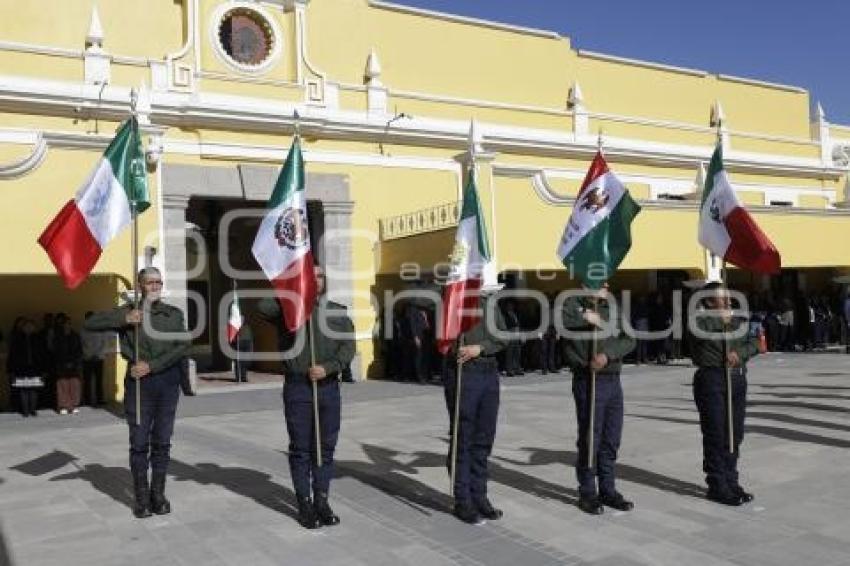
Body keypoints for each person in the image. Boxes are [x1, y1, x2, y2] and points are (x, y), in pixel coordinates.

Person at [84, 267, 190, 519]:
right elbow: (90, 323)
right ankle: (141, 498)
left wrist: (152, 365)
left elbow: (183, 345)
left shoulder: (173, 315)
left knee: (162, 441)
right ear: (140, 286)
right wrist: (124, 319)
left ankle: (158, 494)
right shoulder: (128, 312)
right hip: (139, 386)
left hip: (166, 382)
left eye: (158, 282)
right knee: (139, 442)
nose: (155, 286)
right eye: (149, 282)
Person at [255, 265, 355, 530]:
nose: (317, 280)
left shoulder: (337, 312)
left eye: (320, 276)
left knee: (325, 447)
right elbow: (262, 307)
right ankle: (304, 503)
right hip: (299, 388)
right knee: (300, 449)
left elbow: (348, 348)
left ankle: (322, 499)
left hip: (328, 388)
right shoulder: (288, 309)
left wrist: (328, 368)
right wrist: (291, 288)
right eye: (311, 275)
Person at [561, 283, 636, 515]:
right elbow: (562, 324)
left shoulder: (611, 306)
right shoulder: (571, 303)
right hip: (588, 377)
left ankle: (608, 489)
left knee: (611, 438)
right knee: (590, 438)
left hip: (612, 378)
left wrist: (607, 354)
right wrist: (585, 315)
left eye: (606, 281)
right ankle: (587, 492)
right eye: (600, 282)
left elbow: (629, 338)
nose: (606, 286)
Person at [689, 282, 759, 506]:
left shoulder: (737, 319)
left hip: (737, 378)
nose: (729, 301)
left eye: (729, 297)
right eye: (722, 298)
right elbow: (701, 335)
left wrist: (740, 353)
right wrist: (723, 321)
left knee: (734, 433)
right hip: (712, 379)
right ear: (709, 301)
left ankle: (731, 479)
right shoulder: (698, 319)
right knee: (716, 434)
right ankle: (717, 484)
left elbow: (754, 342)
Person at [443, 292, 507, 524]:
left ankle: (480, 496)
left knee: (484, 438)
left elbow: (503, 336)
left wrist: (481, 347)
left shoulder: (489, 302)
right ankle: (463, 499)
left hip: (489, 371)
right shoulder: (451, 299)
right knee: (463, 437)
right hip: (463, 373)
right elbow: (442, 339)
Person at [7, 318, 46, 417]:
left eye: (31, 326)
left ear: (34, 328)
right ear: (23, 328)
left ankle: (32, 409)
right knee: (23, 390)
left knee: (34, 390)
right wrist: (11, 370)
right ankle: (25, 410)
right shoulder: (17, 339)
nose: (29, 328)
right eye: (27, 326)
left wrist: (44, 370)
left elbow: (43, 355)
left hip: (35, 368)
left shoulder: (38, 339)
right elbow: (12, 356)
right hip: (21, 369)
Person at [53, 313, 83, 415]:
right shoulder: (57, 337)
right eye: (65, 324)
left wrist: (74, 362)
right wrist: (63, 362)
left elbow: (79, 351)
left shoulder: (75, 335)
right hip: (61, 365)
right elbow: (55, 351)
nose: (67, 325)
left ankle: (74, 405)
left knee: (74, 384)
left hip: (74, 365)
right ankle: (63, 406)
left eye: (69, 323)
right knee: (63, 385)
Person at [81, 311, 110, 406]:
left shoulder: (101, 329)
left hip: (98, 358)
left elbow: (104, 343)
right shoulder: (83, 330)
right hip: (87, 358)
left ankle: (99, 399)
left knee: (99, 380)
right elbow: (81, 345)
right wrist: (89, 355)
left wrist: (97, 355)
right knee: (87, 380)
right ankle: (87, 400)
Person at [232, 319, 253, 383]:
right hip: (239, 344)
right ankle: (238, 377)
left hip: (247, 344)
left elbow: (250, 337)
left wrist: (251, 347)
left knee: (245, 362)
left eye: (242, 320)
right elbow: (232, 337)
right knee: (238, 362)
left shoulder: (247, 327)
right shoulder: (235, 327)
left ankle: (244, 377)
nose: (242, 321)